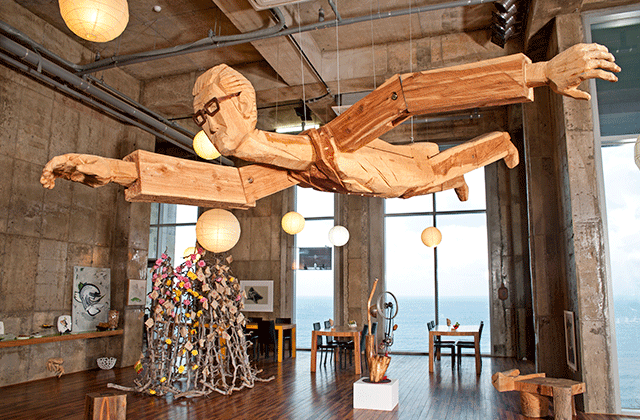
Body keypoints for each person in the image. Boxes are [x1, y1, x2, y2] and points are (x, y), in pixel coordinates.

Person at [41, 43, 620, 206]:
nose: (208, 128)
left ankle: (499, 143)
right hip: (384, 175)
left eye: (212, 111)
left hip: (393, 168)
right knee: (434, 175)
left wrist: (539, 71)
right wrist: (110, 170)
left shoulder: (329, 139)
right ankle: (459, 168)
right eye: (199, 119)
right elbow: (220, 184)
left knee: (438, 171)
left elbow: (408, 93)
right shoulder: (273, 169)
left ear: (243, 103)